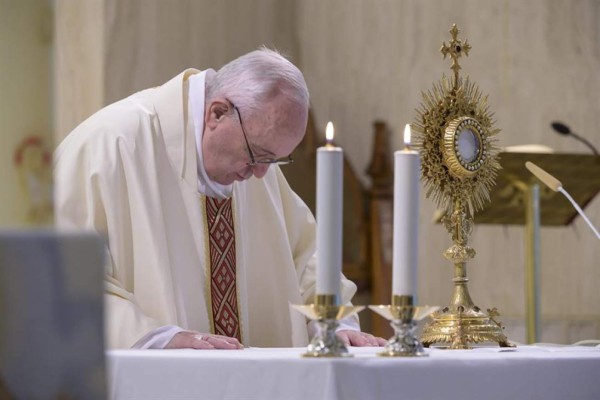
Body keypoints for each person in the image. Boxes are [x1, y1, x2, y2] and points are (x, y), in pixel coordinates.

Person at [54, 47, 385, 350]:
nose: (259, 176)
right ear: (217, 112)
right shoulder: (108, 147)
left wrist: (333, 323)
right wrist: (156, 337)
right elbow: (58, 277)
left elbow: (305, 257)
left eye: (275, 160)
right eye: (257, 155)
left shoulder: (258, 163)